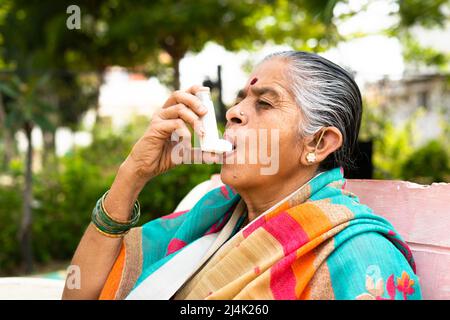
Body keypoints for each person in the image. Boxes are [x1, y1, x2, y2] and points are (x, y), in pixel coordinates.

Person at [62, 51, 421, 300]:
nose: (233, 112)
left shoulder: (359, 255)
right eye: (239, 100)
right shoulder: (212, 221)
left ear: (319, 141)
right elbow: (81, 293)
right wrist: (132, 174)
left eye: (264, 103)